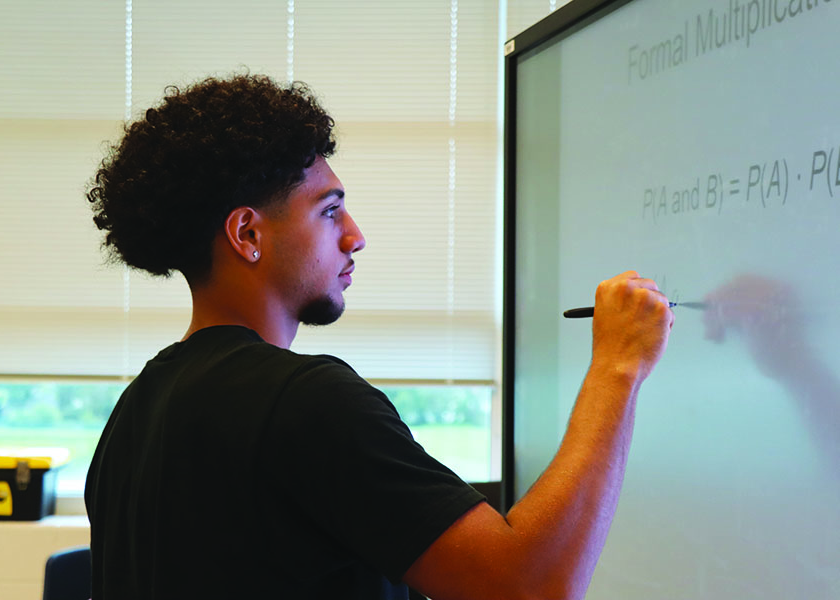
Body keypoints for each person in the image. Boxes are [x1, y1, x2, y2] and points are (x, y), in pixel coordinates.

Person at [85, 73, 673, 600]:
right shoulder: (306, 402)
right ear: (247, 233)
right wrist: (618, 367)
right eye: (329, 211)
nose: (355, 236)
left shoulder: (140, 407)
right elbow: (530, 589)